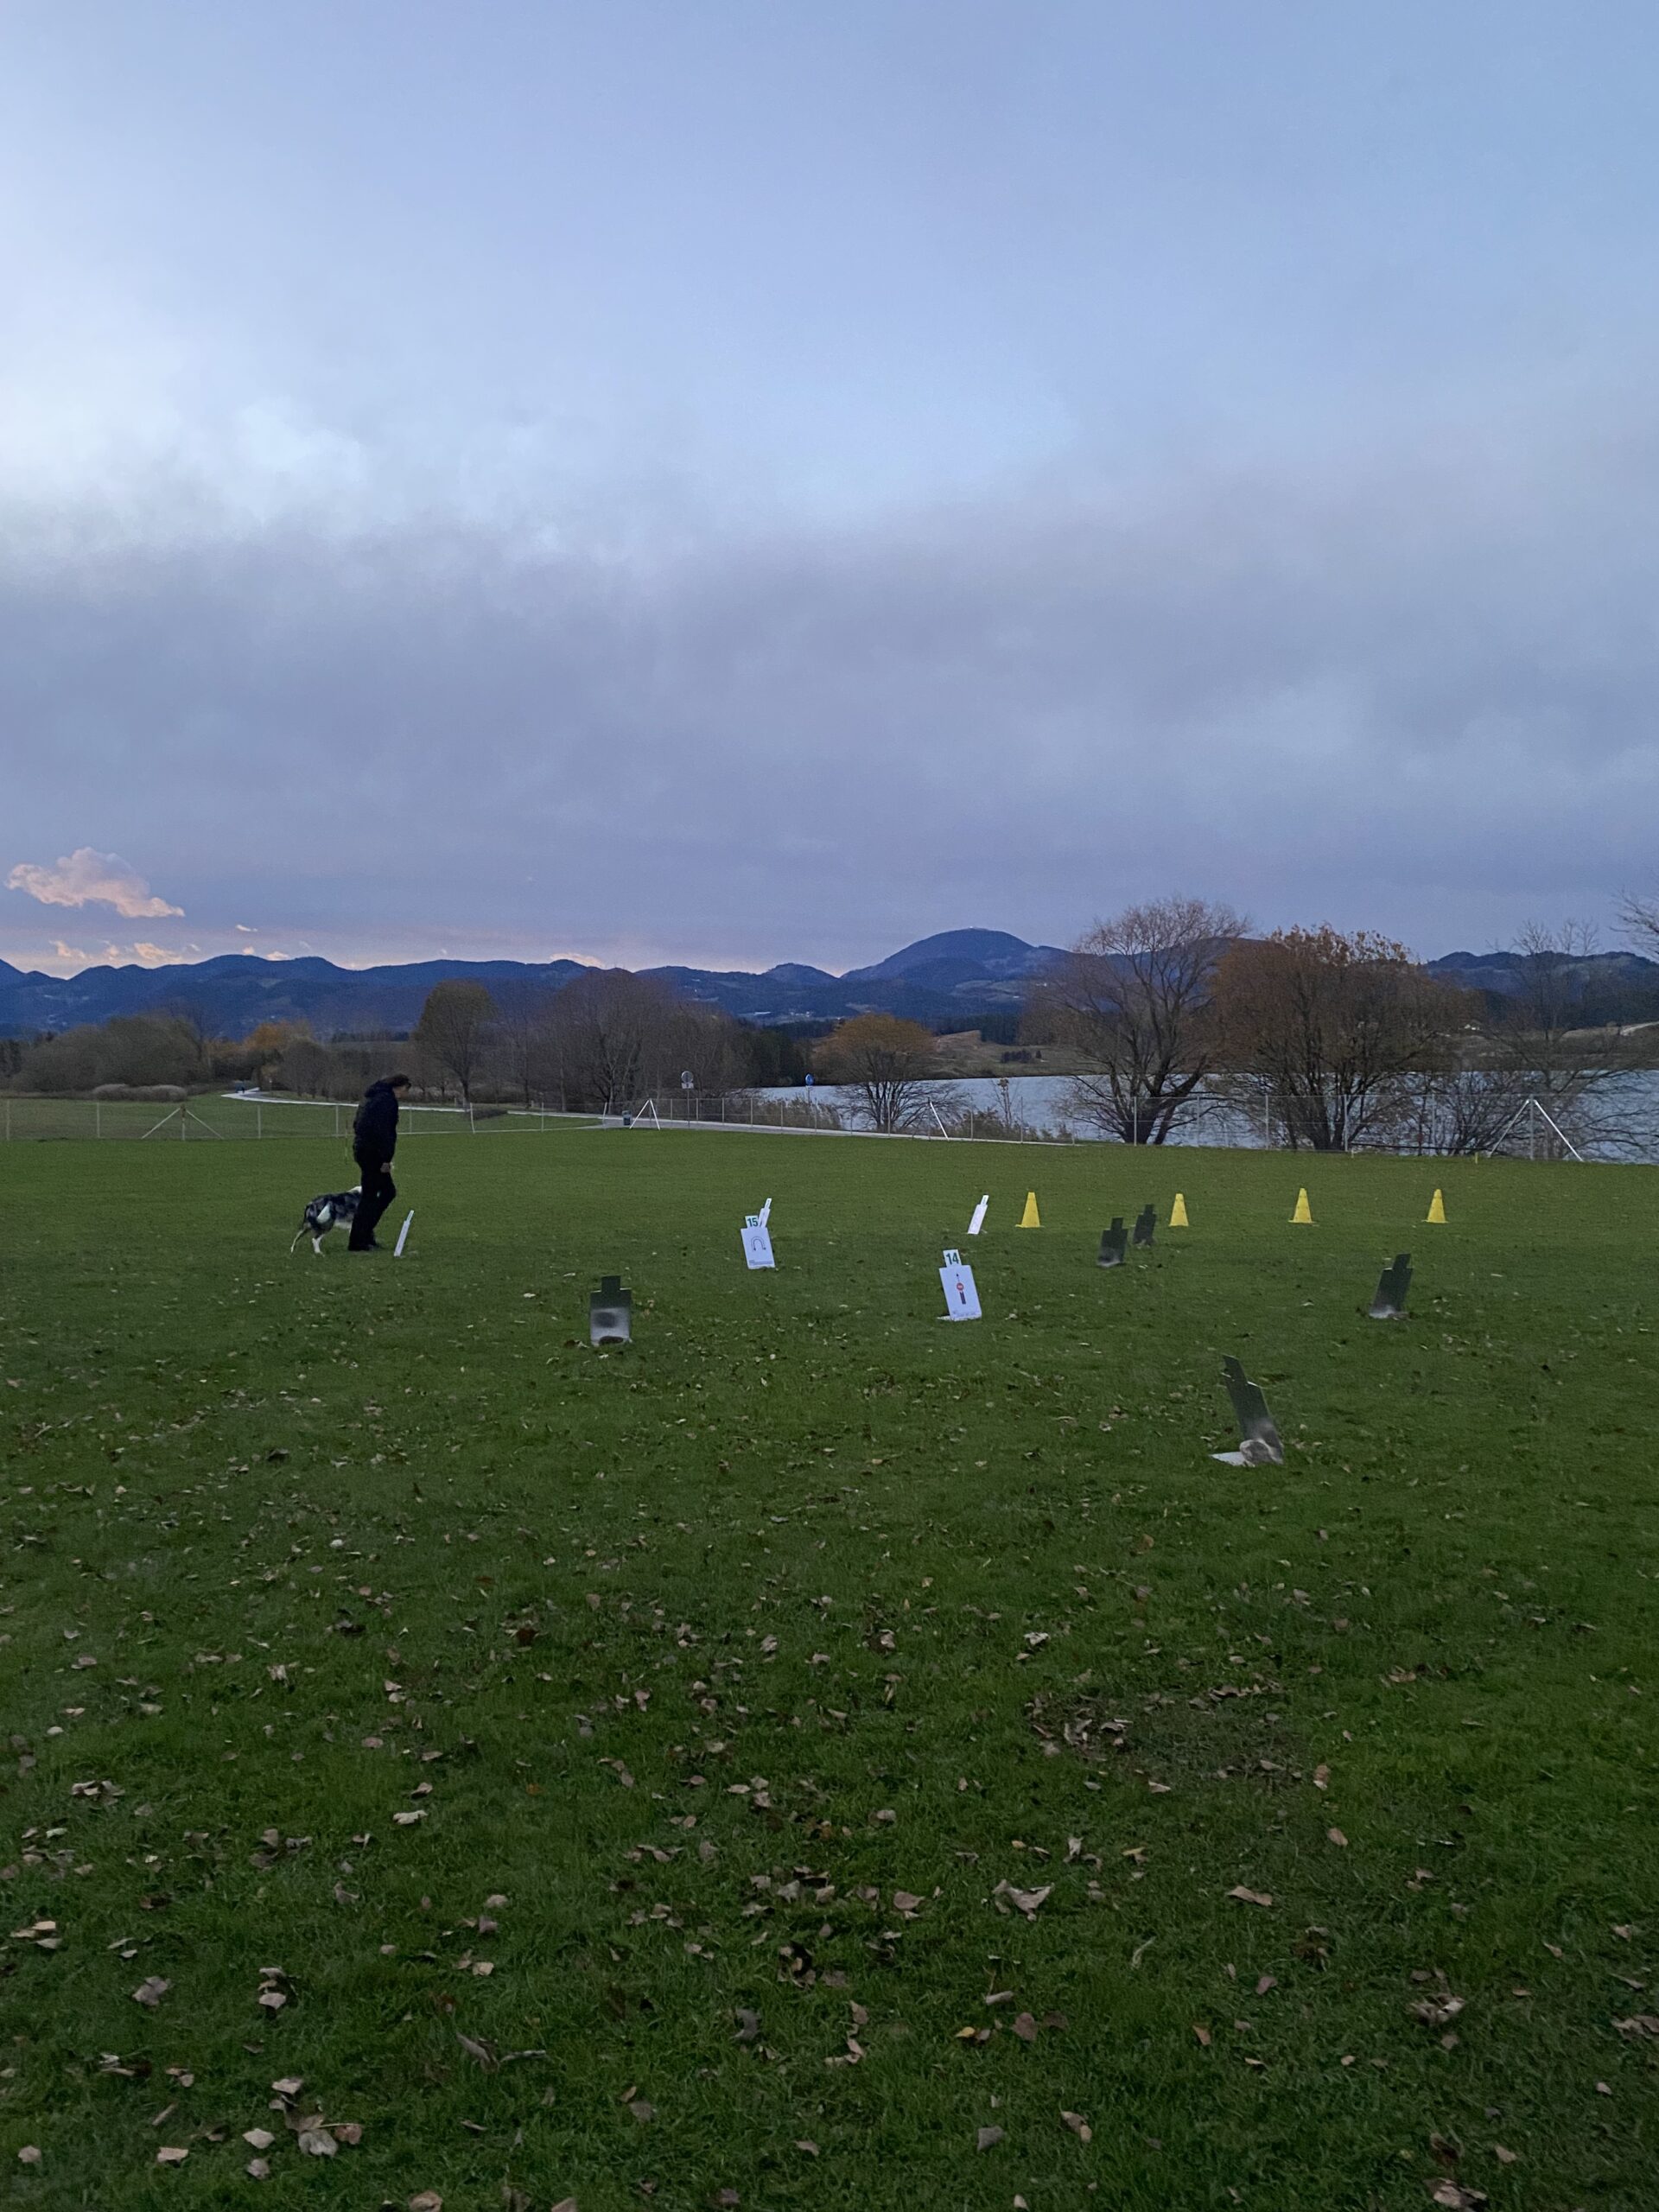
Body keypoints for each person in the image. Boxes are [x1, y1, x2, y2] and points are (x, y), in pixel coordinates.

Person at [348, 1073, 410, 1250]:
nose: (405, 1094)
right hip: (373, 1153)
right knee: (377, 1194)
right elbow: (384, 1132)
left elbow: (358, 1124)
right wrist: (385, 1159)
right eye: (405, 1090)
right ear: (399, 1087)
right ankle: (359, 1239)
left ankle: (365, 1235)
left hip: (363, 1149)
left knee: (381, 1193)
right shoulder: (387, 1101)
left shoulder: (371, 1098)